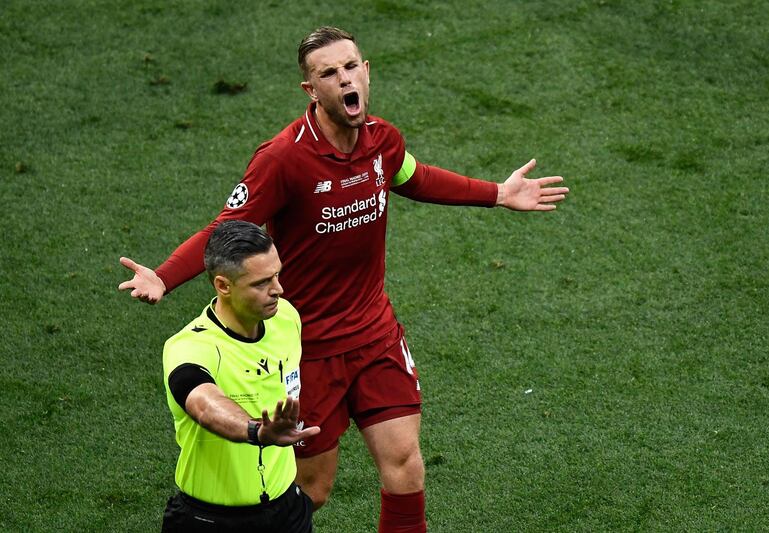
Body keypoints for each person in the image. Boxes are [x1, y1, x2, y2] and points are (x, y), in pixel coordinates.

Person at [122, 27, 569, 533]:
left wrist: (496, 194)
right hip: (308, 347)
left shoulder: (382, 139)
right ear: (311, 90)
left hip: (376, 334)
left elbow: (414, 177)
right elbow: (225, 230)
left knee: (405, 465)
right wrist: (163, 276)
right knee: (314, 488)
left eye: (350, 67)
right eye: (328, 73)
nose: (344, 79)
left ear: (366, 71)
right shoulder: (282, 159)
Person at [160, 220, 320, 532]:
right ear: (223, 285)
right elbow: (205, 404)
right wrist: (256, 432)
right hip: (210, 521)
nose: (278, 289)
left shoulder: (286, 318)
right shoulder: (190, 346)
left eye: (277, 274)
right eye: (262, 283)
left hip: (287, 511)